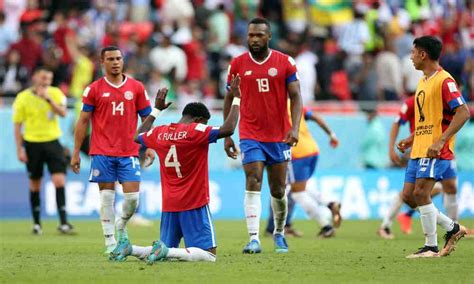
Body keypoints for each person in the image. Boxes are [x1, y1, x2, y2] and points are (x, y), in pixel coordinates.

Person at [110, 77, 241, 263]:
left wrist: (156, 110)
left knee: (166, 249)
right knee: (209, 255)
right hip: (194, 202)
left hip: (170, 204)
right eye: (203, 122)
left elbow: (137, 136)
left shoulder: (160, 132)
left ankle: (130, 249)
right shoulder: (196, 131)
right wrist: (237, 98)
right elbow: (229, 128)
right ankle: (165, 251)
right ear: (198, 120)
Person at [223, 17, 303, 254]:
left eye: (259, 35)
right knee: (253, 178)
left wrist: (295, 127)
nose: (254, 39)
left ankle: (278, 233)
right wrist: (227, 134)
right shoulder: (237, 64)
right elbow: (229, 98)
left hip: (279, 135)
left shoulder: (285, 62)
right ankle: (254, 238)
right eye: (250, 35)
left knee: (278, 189)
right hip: (250, 133)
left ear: (269, 37)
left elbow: (296, 96)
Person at [71, 46, 155, 254]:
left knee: (132, 198)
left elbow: (146, 118)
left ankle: (121, 226)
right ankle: (109, 242)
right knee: (107, 197)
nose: (116, 62)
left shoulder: (136, 87)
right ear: (102, 62)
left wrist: (150, 145)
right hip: (101, 151)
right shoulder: (94, 89)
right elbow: (83, 122)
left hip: (129, 151)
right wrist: (75, 152)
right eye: (111, 59)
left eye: (118, 58)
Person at [397, 36, 469, 258]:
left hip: (435, 150)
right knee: (408, 196)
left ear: (423, 54)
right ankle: (453, 228)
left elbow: (463, 112)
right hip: (419, 147)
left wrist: (440, 140)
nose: (410, 57)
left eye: (413, 52)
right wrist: (411, 137)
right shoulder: (424, 81)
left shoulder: (444, 81)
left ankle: (430, 246)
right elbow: (428, 119)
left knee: (421, 192)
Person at [378, 94, 457, 239]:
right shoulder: (412, 102)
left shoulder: (440, 98)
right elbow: (397, 122)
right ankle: (389, 223)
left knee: (450, 186)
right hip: (421, 151)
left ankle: (452, 227)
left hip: (442, 149)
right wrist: (391, 148)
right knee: (416, 192)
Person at [12, 66, 73, 235]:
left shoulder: (56, 93)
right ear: (35, 78)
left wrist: (48, 100)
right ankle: (37, 223)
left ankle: (64, 222)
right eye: (43, 78)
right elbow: (17, 126)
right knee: (35, 183)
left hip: (52, 142)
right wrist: (20, 149)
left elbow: (63, 113)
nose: (46, 81)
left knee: (59, 180)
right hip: (32, 144)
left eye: (49, 78)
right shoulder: (22, 97)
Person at [265, 106, 341, 238]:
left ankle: (326, 226)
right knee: (298, 186)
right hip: (312, 151)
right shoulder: (293, 104)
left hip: (297, 154)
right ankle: (330, 203)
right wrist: (332, 135)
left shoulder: (274, 108)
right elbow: (316, 118)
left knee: (298, 193)